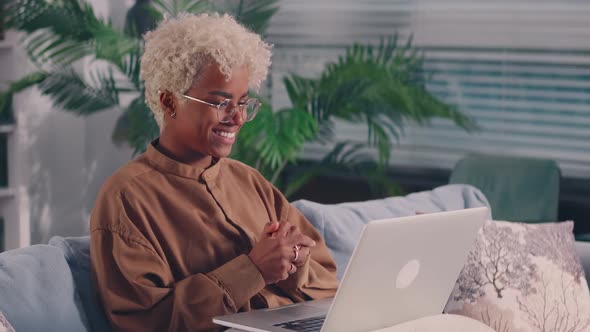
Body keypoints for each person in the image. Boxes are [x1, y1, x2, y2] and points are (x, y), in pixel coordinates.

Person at [90, 13, 339, 332]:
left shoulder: (249, 180)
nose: (236, 118)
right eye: (221, 103)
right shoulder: (127, 198)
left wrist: (294, 262)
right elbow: (147, 322)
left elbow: (329, 284)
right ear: (169, 102)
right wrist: (253, 270)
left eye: (243, 103)